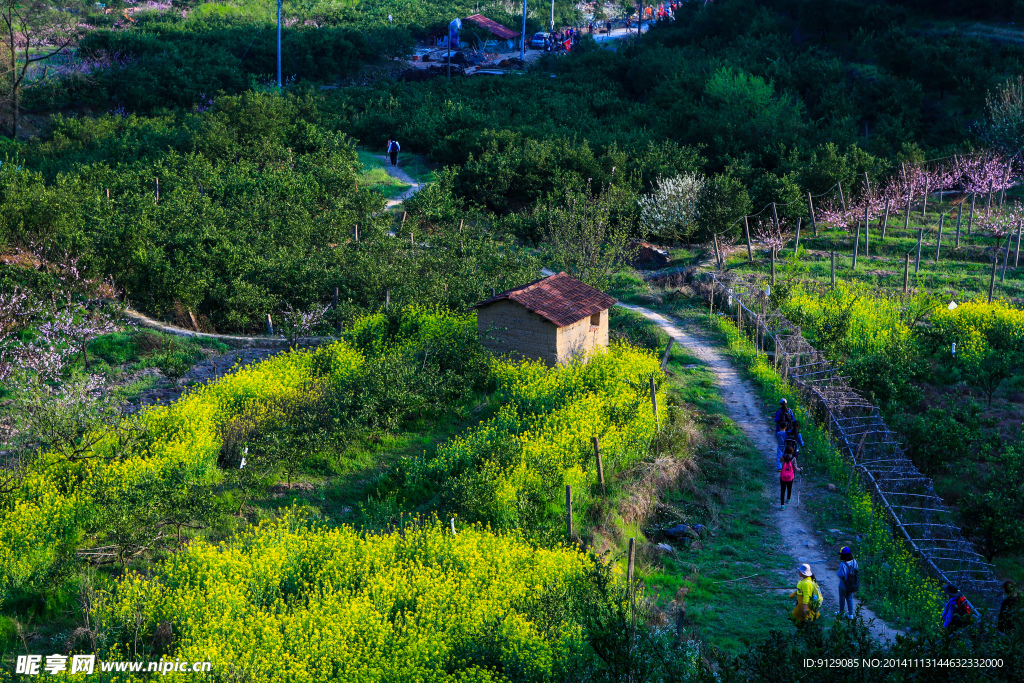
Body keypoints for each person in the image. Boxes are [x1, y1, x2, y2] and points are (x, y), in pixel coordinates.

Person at [836, 547, 858, 620]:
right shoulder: (854, 561)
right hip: (852, 584)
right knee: (850, 599)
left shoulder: (843, 564)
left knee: (842, 598)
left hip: (843, 585)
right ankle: (851, 614)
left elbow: (841, 574)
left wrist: (837, 573)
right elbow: (856, 570)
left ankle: (841, 613)